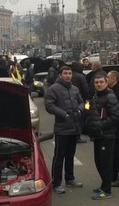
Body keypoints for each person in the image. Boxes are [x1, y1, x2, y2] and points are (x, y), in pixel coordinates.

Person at [45, 65, 84, 194]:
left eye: (69, 73)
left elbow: (82, 103)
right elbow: (49, 105)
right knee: (59, 156)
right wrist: (64, 114)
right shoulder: (53, 89)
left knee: (70, 155)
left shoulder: (75, 89)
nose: (68, 75)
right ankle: (56, 183)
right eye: (65, 73)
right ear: (60, 75)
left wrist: (80, 109)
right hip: (62, 128)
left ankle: (70, 179)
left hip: (74, 127)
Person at [83, 73, 119, 200]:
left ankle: (106, 190)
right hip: (98, 135)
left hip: (106, 135)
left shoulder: (110, 96)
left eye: (101, 82)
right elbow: (93, 112)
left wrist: (100, 125)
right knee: (98, 161)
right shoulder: (95, 95)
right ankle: (104, 185)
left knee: (105, 163)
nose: (99, 84)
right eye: (96, 82)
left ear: (106, 83)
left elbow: (116, 117)